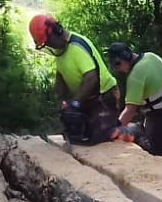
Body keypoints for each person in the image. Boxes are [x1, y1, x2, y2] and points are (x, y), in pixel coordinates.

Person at [29, 14, 120, 144]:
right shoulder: (60, 53)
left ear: (56, 30)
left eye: (48, 41)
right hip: (87, 99)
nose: (49, 45)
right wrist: (64, 101)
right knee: (79, 139)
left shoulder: (76, 47)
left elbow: (91, 78)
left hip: (104, 98)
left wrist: (75, 103)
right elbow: (61, 77)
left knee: (102, 142)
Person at [107, 42, 162, 174]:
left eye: (116, 66)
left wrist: (115, 129)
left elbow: (130, 110)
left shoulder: (135, 76)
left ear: (121, 60)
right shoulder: (152, 57)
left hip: (160, 120)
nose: (118, 70)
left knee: (159, 158)